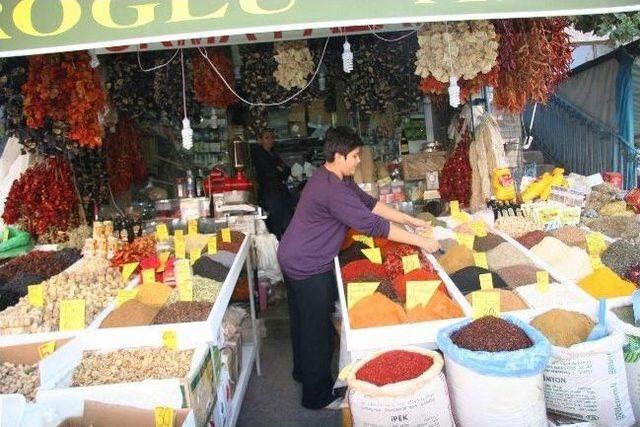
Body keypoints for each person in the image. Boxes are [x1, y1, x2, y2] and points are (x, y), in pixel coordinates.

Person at [277, 126, 439, 410]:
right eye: (354, 156)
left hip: (293, 254)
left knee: (303, 321)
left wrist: (410, 220)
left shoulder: (336, 178)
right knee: (318, 331)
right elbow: (372, 224)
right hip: (308, 263)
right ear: (338, 156)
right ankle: (317, 397)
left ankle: (302, 373)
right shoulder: (331, 190)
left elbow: (371, 205)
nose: (357, 161)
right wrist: (421, 243)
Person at [251, 129, 293, 239]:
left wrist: (280, 170)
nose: (270, 140)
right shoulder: (259, 154)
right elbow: (271, 173)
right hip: (269, 193)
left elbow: (287, 170)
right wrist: (279, 170)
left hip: (279, 191)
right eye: (267, 137)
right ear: (260, 140)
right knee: (275, 222)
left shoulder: (273, 153)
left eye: (272, 137)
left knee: (285, 219)